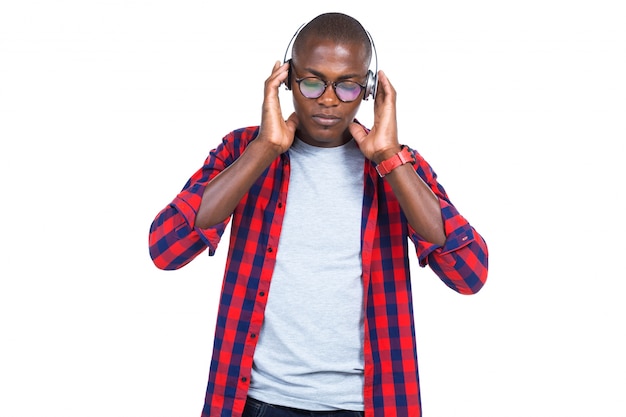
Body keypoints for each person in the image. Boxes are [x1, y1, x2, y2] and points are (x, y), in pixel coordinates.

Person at [148, 12, 488, 417]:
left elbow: (470, 275)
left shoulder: (399, 169)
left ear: (369, 90)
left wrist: (389, 159)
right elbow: (166, 250)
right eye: (311, 82)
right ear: (287, 80)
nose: (328, 99)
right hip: (257, 403)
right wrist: (264, 150)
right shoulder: (243, 151)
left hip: (367, 406)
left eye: (347, 86)